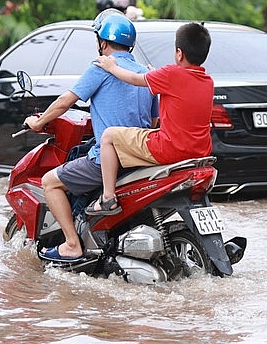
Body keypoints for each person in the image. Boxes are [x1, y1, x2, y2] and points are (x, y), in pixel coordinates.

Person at [23, 11, 158, 262]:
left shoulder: (103, 66)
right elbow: (152, 122)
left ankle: (72, 244)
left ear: (103, 42)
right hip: (141, 157)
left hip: (107, 160)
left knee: (49, 182)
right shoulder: (145, 74)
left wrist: (38, 122)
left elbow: (66, 101)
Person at [89, 22, 214, 216]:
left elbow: (135, 79)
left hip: (169, 149)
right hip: (200, 152)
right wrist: (157, 74)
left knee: (108, 136)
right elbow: (179, 87)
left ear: (179, 53)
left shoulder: (171, 74)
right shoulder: (208, 81)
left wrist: (111, 67)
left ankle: (107, 198)